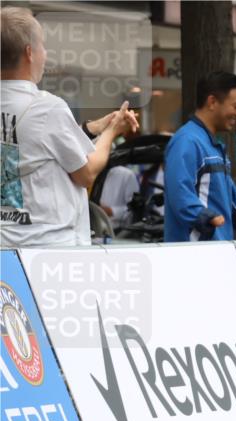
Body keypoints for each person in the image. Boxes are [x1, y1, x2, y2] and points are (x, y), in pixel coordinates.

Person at [1, 6, 137, 247]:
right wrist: (111, 131)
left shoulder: (41, 111)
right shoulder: (47, 108)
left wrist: (93, 127)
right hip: (50, 247)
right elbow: (86, 173)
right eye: (43, 45)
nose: (46, 53)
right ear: (30, 52)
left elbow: (35, 144)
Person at [163, 71, 236, 242]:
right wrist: (205, 217)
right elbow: (179, 193)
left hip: (216, 254)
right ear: (212, 102)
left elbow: (235, 205)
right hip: (192, 258)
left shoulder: (213, 146)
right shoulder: (187, 141)